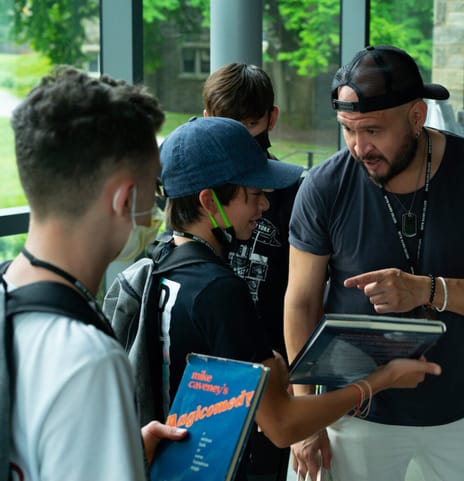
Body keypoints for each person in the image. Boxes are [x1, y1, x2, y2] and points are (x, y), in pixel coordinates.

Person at [284, 45, 464, 481]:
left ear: (417, 116)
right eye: (347, 130)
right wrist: (306, 413)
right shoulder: (323, 187)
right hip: (354, 407)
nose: (360, 147)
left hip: (459, 405)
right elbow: (300, 303)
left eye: (373, 130)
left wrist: (424, 289)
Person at [156, 116, 442, 481]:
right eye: (255, 194)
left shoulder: (158, 261)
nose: (264, 207)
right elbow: (282, 425)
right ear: (209, 202)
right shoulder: (219, 289)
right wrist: (381, 379)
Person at [1, 66, 186, 480]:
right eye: (154, 189)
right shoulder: (86, 359)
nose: (156, 211)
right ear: (124, 200)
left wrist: (118, 450)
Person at [202, 64, 298, 480]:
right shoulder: (192, 184)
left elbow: (303, 291)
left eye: (249, 125)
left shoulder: (291, 191)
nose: (237, 139)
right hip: (206, 371)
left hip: (269, 366)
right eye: (224, 125)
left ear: (271, 119)